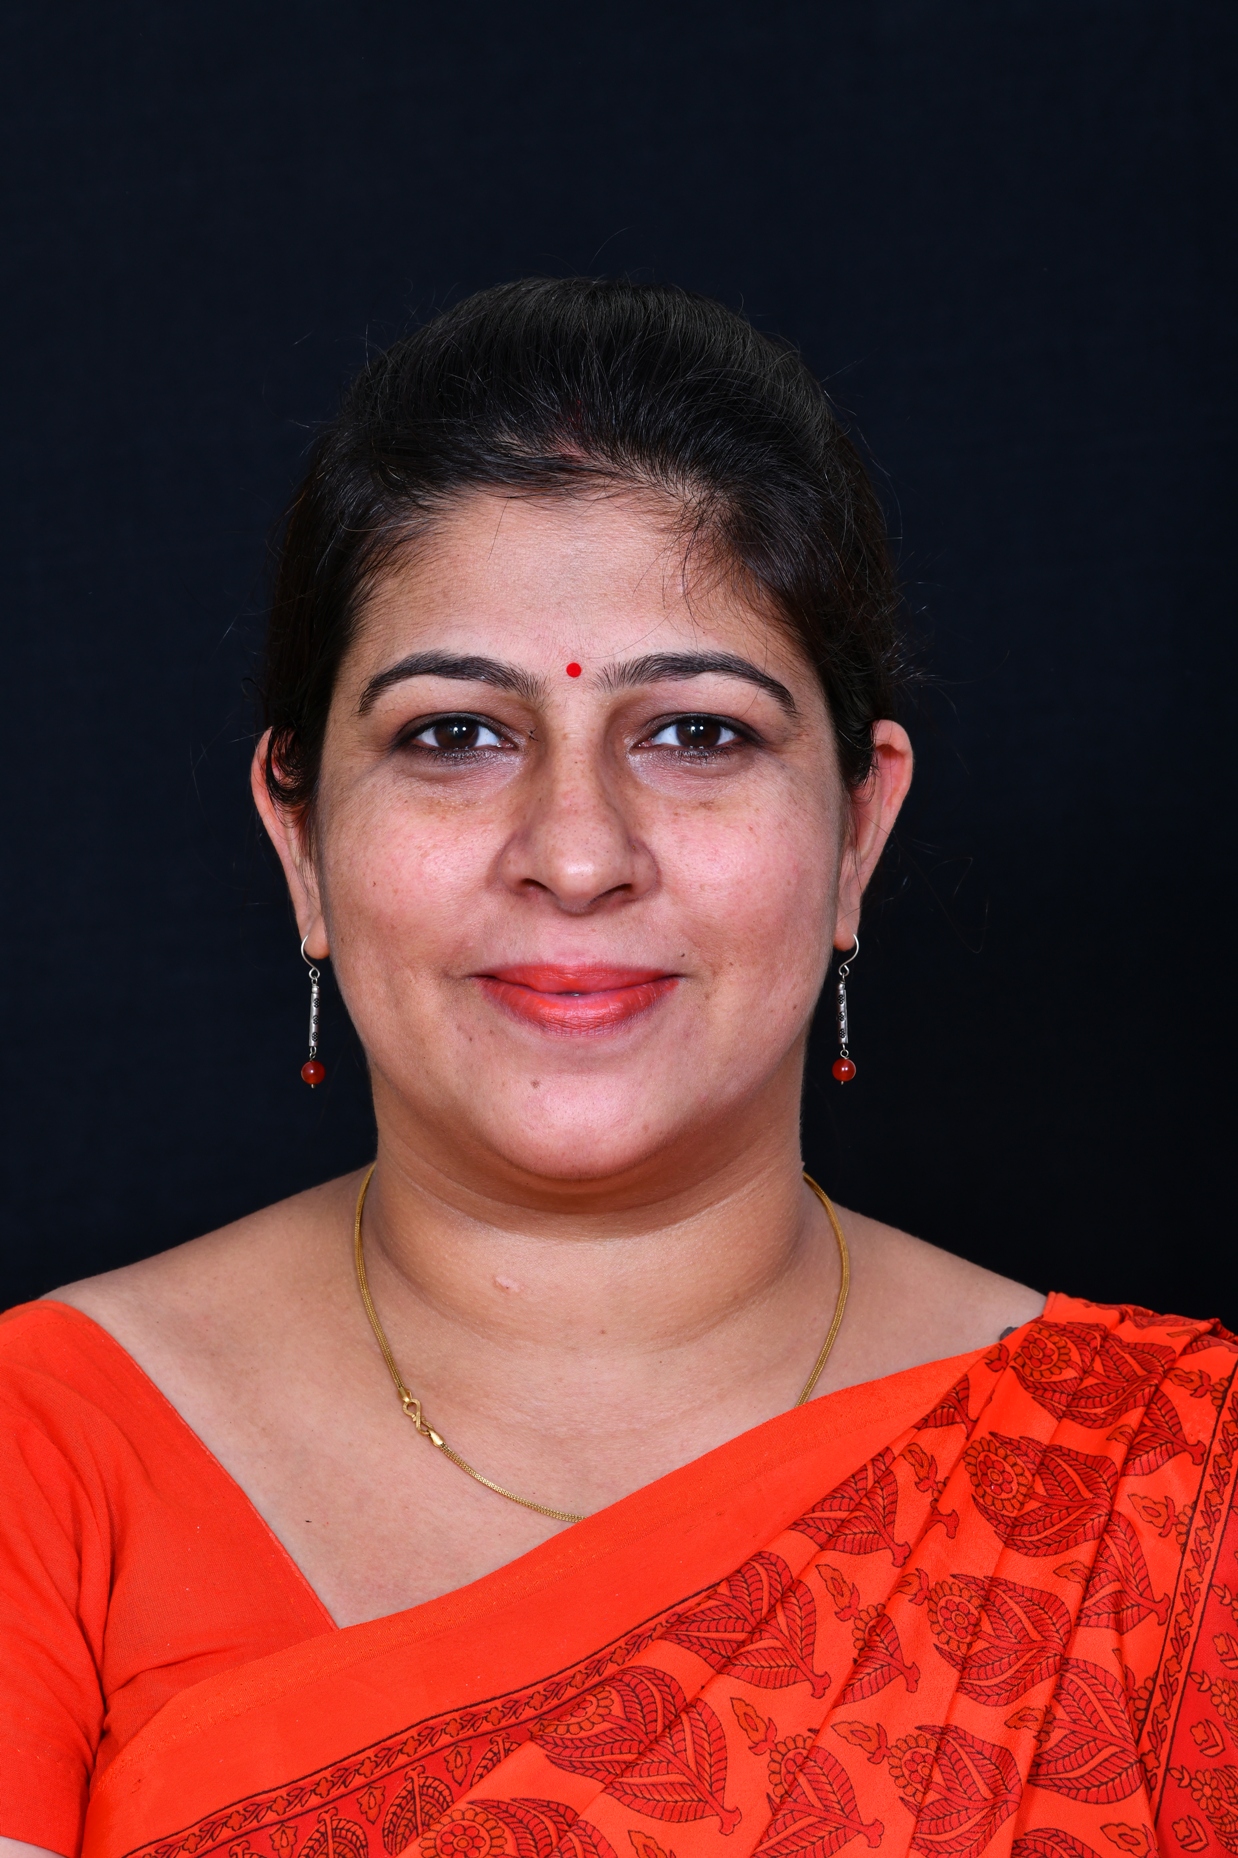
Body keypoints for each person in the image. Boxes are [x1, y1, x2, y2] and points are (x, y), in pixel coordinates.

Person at [0, 280, 1231, 1858]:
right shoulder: (45, 1454)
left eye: (695, 734)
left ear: (857, 827)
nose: (577, 856)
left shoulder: (1167, 1489)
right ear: (300, 838)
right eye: (454, 734)